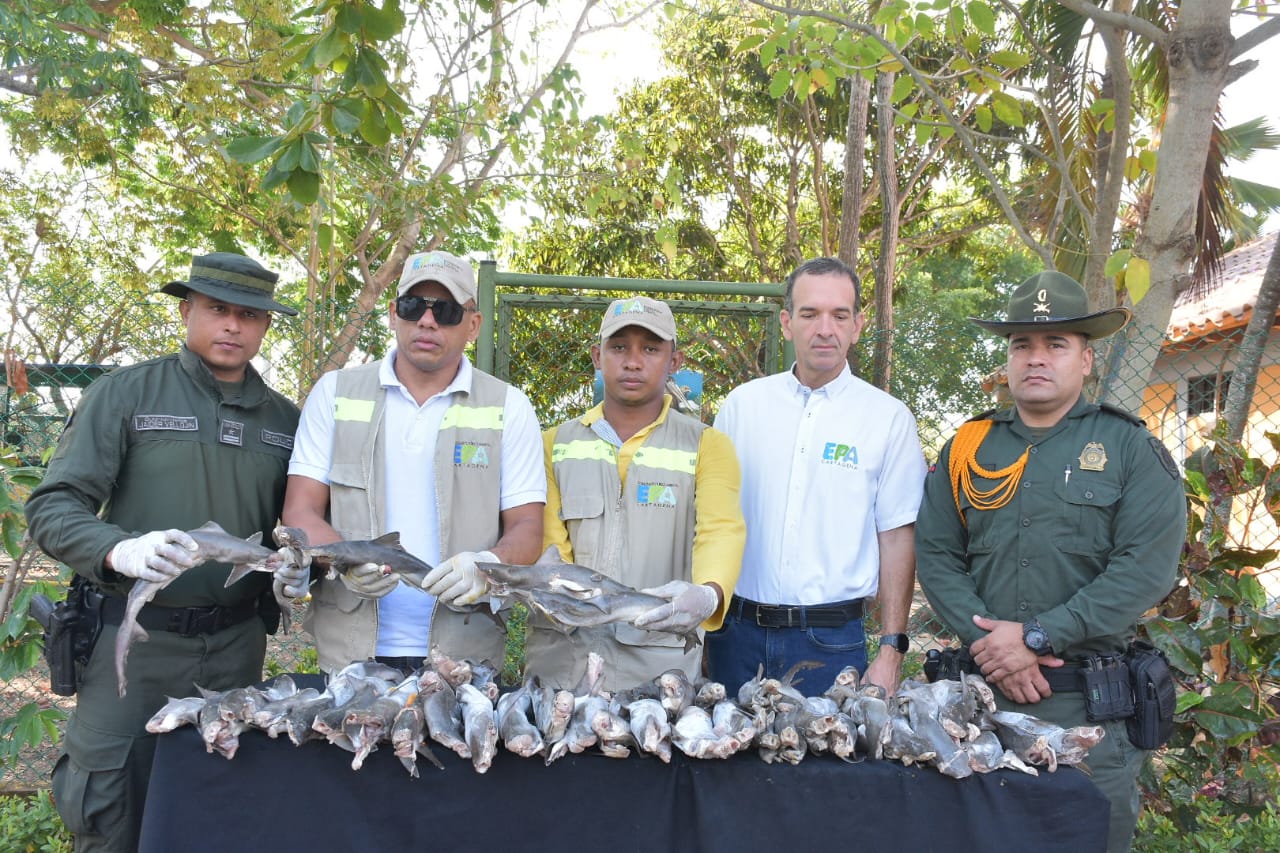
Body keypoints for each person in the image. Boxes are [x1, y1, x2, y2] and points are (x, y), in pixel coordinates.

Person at [25, 252, 304, 853]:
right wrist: (118, 549)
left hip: (235, 649)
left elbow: (300, 529)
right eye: (217, 309)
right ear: (187, 310)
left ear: (265, 326)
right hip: (131, 646)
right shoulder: (124, 394)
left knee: (218, 808)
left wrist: (297, 573)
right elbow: (52, 508)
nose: (232, 325)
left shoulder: (287, 421)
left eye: (250, 315)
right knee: (111, 808)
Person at [914, 271, 1186, 853]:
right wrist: (993, 645)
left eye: (1056, 344)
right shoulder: (968, 447)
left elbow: (1145, 568)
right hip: (981, 702)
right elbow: (937, 555)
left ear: (1086, 360)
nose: (1036, 358)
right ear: (1008, 360)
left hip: (1089, 714)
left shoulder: (1129, 448)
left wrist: (1037, 636)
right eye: (1022, 345)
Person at [283, 249, 545, 675]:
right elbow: (300, 511)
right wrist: (346, 560)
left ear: (473, 325)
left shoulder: (508, 407)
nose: (427, 321)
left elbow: (528, 527)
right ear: (392, 314)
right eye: (412, 306)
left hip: (464, 657)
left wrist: (487, 566)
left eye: (445, 310)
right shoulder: (335, 394)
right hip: (349, 653)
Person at [709, 256, 926, 697]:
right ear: (787, 323)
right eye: (810, 314)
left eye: (839, 315)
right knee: (722, 764)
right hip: (734, 635)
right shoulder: (741, 407)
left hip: (831, 644)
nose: (824, 328)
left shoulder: (887, 419)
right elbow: (710, 519)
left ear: (857, 325)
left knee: (826, 765)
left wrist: (891, 652)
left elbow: (897, 537)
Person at [535, 296, 746, 691]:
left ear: (675, 362)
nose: (633, 362)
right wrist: (553, 584)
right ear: (597, 356)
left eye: (650, 349)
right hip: (561, 664)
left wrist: (708, 593)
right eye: (619, 348)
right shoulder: (553, 444)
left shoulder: (707, 445)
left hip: (656, 670)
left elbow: (721, 530)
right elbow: (549, 542)